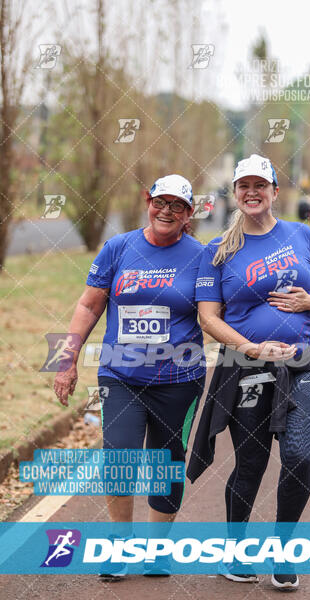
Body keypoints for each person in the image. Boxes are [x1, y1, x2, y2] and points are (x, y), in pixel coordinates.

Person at [187, 154, 310, 590]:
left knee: (299, 456)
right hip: (245, 366)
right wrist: (250, 347)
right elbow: (208, 318)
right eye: (243, 186)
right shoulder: (218, 251)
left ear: (273, 190)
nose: (252, 192)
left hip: (303, 362)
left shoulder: (301, 235)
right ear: (235, 193)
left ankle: (284, 554)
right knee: (250, 463)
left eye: (260, 185)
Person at [53, 174, 206, 579]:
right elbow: (88, 305)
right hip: (121, 376)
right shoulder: (118, 248)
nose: (166, 211)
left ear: (189, 214)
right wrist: (66, 360)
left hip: (179, 379)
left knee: (167, 463)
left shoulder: (202, 256)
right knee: (119, 459)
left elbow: (214, 313)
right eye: (161, 202)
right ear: (148, 201)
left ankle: (157, 550)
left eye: (177, 206)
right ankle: (120, 548)